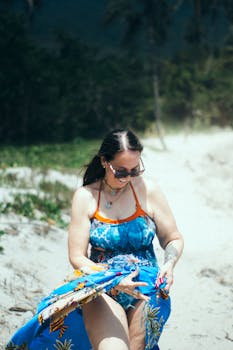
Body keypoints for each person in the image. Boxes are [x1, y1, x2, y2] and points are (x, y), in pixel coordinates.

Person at [7, 128, 183, 350]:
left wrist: (170, 263)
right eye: (120, 171)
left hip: (145, 286)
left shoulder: (148, 190)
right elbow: (77, 257)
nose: (128, 178)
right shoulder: (86, 197)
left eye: (134, 170)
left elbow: (172, 237)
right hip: (102, 285)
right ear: (103, 161)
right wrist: (113, 280)